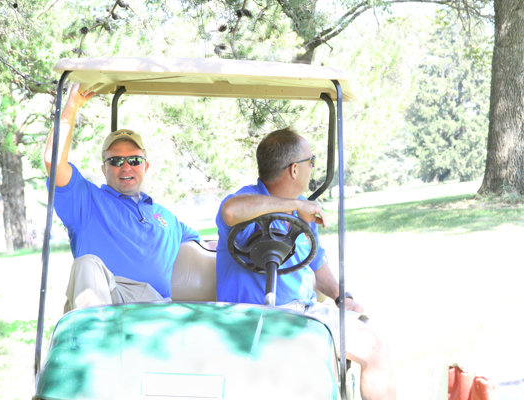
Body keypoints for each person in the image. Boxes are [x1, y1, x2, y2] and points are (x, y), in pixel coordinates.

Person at [216, 127, 396, 400]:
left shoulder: (302, 207)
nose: (313, 168)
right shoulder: (247, 199)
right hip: (249, 317)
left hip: (303, 313)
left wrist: (340, 296)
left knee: (375, 348)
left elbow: (316, 262)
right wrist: (295, 207)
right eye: (310, 162)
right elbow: (230, 212)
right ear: (294, 170)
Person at [45, 84, 201, 312]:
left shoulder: (166, 217)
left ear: (145, 166)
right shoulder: (87, 202)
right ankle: (97, 340)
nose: (126, 167)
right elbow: (53, 161)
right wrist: (72, 106)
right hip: (112, 305)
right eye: (116, 161)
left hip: (162, 309)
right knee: (86, 264)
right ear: (103, 168)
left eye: (134, 160)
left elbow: (207, 247)